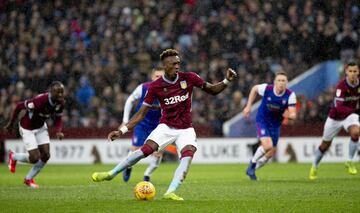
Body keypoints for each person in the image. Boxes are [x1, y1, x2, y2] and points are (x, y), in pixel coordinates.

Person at [92, 49, 237, 201]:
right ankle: (111, 174)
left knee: (187, 155)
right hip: (166, 127)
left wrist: (227, 81)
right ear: (165, 65)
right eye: (173, 64)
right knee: (144, 151)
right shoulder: (155, 87)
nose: (177, 66)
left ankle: (170, 192)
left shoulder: (189, 78)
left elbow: (213, 90)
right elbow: (141, 113)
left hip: (186, 129)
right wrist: (121, 131)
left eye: (178, 63)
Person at [4, 81, 65, 188]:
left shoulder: (61, 103)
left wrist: (59, 130)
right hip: (27, 128)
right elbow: (19, 106)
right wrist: (10, 124)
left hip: (40, 127)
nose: (60, 95)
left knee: (46, 155)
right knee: (34, 158)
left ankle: (28, 179)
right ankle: (13, 156)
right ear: (51, 92)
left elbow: (58, 118)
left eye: (62, 92)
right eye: (58, 92)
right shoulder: (40, 101)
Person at [242, 71, 297, 180]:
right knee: (268, 146)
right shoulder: (267, 89)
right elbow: (254, 89)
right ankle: (252, 164)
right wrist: (248, 106)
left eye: (283, 81)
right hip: (262, 120)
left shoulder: (290, 95)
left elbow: (293, 114)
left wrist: (290, 115)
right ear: (274, 82)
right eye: (279, 80)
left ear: (287, 83)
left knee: (270, 153)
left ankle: (252, 170)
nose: (281, 83)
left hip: (275, 125)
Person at [309, 62, 359, 180]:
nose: (352, 74)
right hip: (335, 118)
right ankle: (314, 166)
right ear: (346, 72)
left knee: (356, 132)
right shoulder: (341, 86)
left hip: (349, 116)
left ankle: (349, 161)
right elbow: (338, 106)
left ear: (358, 72)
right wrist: (355, 109)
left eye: (355, 71)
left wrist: (354, 111)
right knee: (325, 145)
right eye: (350, 71)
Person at [121, 67, 164, 182]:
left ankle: (147, 175)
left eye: (162, 77)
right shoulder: (143, 88)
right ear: (152, 77)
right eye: (157, 76)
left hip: (158, 126)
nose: (159, 79)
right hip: (142, 123)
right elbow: (130, 100)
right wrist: (125, 120)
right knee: (135, 148)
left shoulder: (168, 91)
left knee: (158, 154)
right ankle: (128, 167)